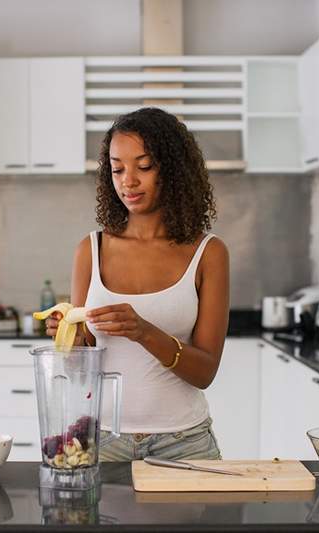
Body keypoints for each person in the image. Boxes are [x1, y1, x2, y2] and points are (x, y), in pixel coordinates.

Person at [44, 107, 230, 461]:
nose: (128, 181)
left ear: (174, 171)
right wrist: (69, 337)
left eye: (144, 167)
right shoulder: (91, 250)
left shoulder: (209, 253)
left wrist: (144, 332)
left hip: (184, 443)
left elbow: (205, 372)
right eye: (117, 168)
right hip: (103, 441)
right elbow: (80, 365)